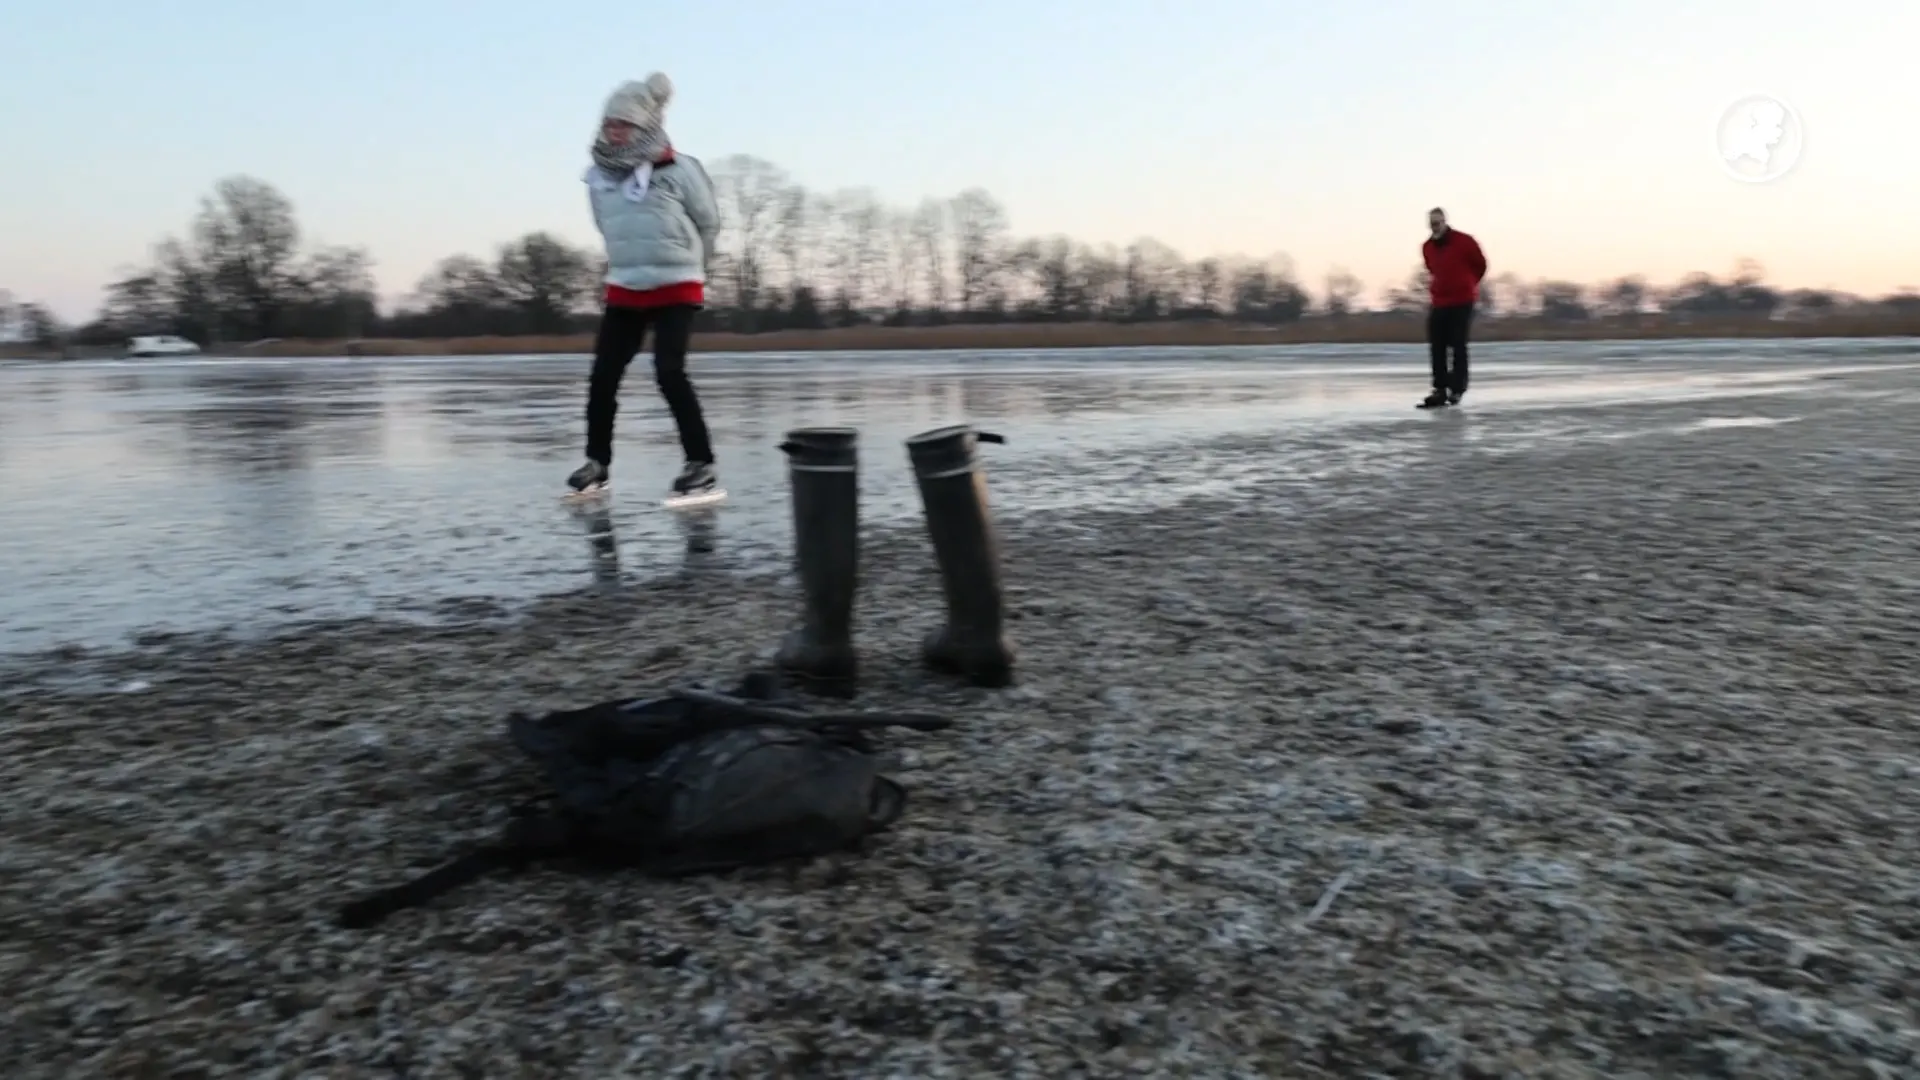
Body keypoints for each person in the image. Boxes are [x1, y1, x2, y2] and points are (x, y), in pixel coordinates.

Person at [567, 73, 723, 498]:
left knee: (669, 372)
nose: (614, 131)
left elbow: (708, 221)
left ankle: (700, 463)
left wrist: (695, 266)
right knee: (603, 377)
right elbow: (604, 226)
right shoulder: (598, 178)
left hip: (677, 284)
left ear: (644, 127)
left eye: (624, 125)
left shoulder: (680, 168)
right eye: (609, 124)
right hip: (626, 285)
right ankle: (597, 463)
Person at [1419, 207, 1487, 409]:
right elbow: (1433, 269)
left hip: (1462, 300)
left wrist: (1468, 284)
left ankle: (1457, 388)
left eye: (1438, 223)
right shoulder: (1427, 247)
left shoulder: (1465, 241)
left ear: (1445, 222)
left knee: (1458, 344)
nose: (1435, 227)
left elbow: (1481, 265)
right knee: (1437, 345)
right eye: (1432, 224)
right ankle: (1440, 389)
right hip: (1440, 301)